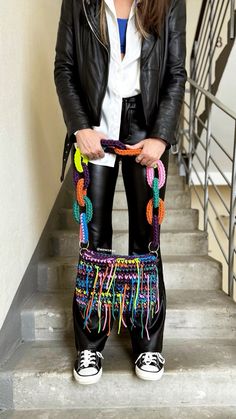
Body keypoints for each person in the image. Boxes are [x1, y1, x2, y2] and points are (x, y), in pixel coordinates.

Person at [54, 0, 187, 385]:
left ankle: (147, 344)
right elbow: (64, 67)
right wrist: (80, 126)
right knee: (93, 239)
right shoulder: (80, 1)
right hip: (96, 127)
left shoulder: (168, 2)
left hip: (145, 125)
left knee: (148, 239)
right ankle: (90, 345)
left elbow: (175, 72)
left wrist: (161, 135)